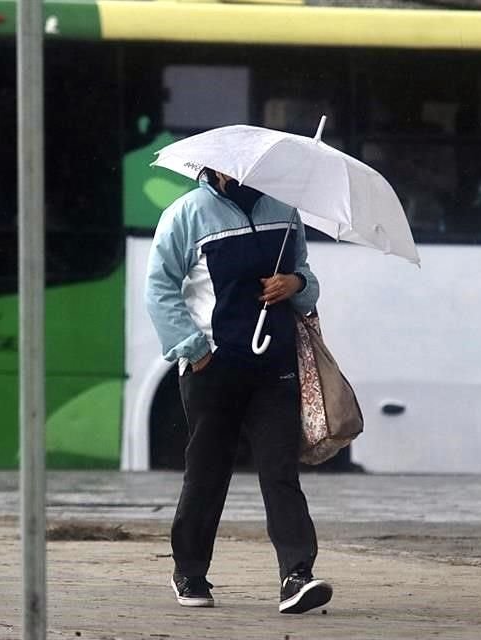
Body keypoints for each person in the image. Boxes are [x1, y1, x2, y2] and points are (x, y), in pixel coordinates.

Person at [144, 167, 332, 614]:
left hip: (274, 366)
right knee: (207, 473)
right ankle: (189, 571)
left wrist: (295, 284)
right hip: (214, 368)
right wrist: (195, 350)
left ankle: (296, 575)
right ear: (211, 169)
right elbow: (159, 287)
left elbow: (305, 276)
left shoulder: (284, 211)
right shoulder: (186, 213)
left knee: (280, 471)